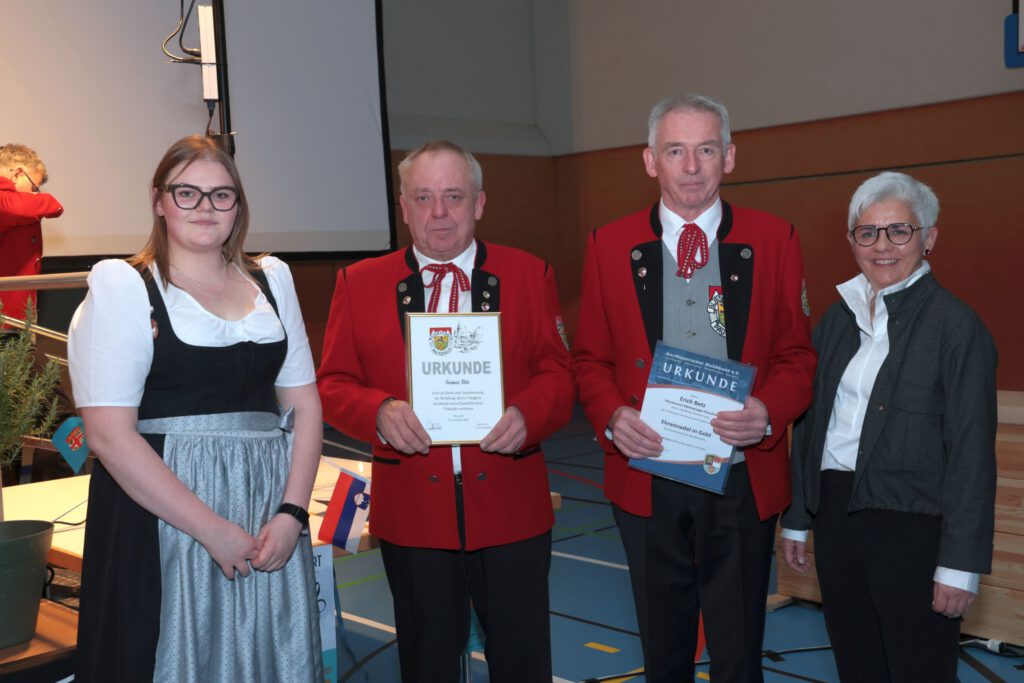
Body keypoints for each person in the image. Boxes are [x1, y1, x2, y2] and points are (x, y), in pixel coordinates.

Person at [572, 94, 816, 682]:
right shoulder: (609, 245)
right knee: (664, 653)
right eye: (674, 150)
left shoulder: (774, 239)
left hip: (738, 478)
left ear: (728, 157)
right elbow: (588, 359)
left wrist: (766, 412)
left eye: (705, 149)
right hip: (646, 476)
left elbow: (798, 358)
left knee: (738, 657)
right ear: (650, 161)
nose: (690, 166)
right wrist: (611, 417)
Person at [67, 135, 324, 681]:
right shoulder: (126, 288)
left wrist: (292, 514)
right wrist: (210, 529)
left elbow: (304, 405)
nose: (206, 208)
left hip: (265, 512)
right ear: (159, 200)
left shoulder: (272, 280)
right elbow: (110, 436)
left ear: (239, 205)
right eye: (188, 193)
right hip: (163, 517)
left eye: (221, 195)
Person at [317, 140, 574, 682]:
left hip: (512, 509)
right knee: (428, 665)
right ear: (404, 207)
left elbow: (559, 374)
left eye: (453, 197)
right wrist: (380, 409)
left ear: (479, 203)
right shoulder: (358, 284)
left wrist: (528, 414)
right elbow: (334, 384)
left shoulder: (530, 275)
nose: (439, 213)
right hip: (413, 515)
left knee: (524, 663)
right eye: (424, 197)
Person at [781, 172, 997, 682]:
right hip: (837, 519)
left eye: (899, 231)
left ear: (930, 238)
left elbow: (970, 453)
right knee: (858, 666)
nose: (882, 246)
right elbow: (812, 428)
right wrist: (797, 516)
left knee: (919, 670)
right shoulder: (836, 320)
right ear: (852, 239)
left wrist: (959, 564)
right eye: (868, 232)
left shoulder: (956, 326)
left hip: (913, 530)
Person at [0, 144, 64, 321]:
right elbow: (19, 208)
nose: (35, 193)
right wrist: (45, 200)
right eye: (34, 187)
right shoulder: (8, 201)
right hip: (6, 315)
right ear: (18, 174)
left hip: (16, 311)